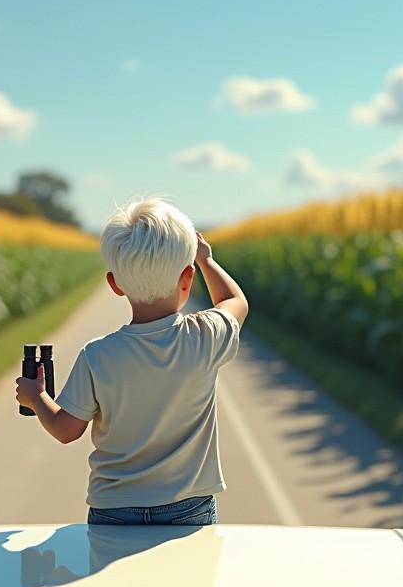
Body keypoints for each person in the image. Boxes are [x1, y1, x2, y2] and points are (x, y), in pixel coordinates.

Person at [15, 198, 248, 525]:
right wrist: (206, 259)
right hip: (188, 507)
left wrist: (36, 397)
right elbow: (234, 301)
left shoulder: (97, 355)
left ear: (114, 285)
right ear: (187, 279)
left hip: (114, 509)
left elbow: (66, 430)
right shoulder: (204, 336)